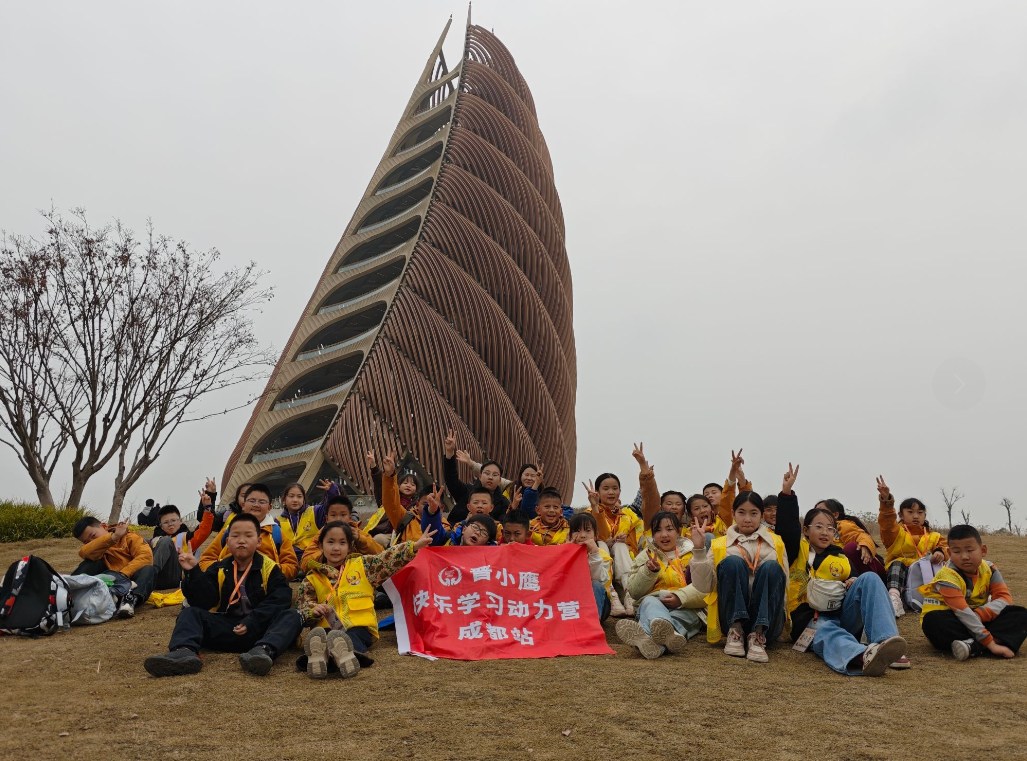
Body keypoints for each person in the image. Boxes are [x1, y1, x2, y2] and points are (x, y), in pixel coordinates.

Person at [143, 513, 303, 677]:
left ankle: (262, 653)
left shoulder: (271, 568)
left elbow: (280, 599)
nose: (241, 540)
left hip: (259, 631)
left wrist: (253, 620)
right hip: (227, 628)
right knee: (190, 612)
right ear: (227, 542)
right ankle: (184, 652)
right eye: (235, 536)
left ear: (259, 541)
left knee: (293, 615)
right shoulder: (218, 568)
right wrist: (193, 571)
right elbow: (203, 601)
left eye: (248, 535)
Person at [777, 485, 909, 676]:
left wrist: (853, 581)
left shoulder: (840, 557)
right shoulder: (796, 551)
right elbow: (787, 529)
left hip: (841, 615)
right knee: (826, 631)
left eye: (830, 529)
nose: (825, 532)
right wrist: (787, 494)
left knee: (869, 578)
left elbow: (854, 578)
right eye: (819, 527)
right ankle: (864, 656)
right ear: (805, 530)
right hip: (810, 621)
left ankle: (886, 643)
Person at [294, 521, 436, 678]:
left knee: (352, 637)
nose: (336, 548)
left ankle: (332, 656)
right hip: (327, 626)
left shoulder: (364, 566)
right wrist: (313, 610)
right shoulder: (312, 578)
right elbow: (303, 605)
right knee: (323, 636)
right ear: (321, 546)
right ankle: (325, 658)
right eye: (330, 542)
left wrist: (413, 547)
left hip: (360, 626)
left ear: (350, 546)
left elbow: (386, 559)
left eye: (342, 543)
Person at [689, 467, 791, 663]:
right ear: (733, 514)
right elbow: (703, 587)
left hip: (768, 620)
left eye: (753, 513)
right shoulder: (720, 544)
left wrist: (784, 624)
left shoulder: (776, 542)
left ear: (761, 516)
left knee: (772, 568)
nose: (747, 519)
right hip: (730, 618)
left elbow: (783, 587)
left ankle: (758, 635)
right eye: (742, 512)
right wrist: (699, 549)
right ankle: (736, 631)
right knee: (732, 562)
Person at [919, 524, 1027, 660]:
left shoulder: (990, 569)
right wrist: (991, 644)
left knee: (1020, 614)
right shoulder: (946, 577)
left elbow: (1004, 598)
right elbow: (963, 613)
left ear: (983, 550)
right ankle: (989, 643)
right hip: (953, 619)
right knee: (933, 621)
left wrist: (980, 614)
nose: (964, 557)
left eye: (970, 550)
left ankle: (973, 647)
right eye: (957, 552)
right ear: (950, 554)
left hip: (978, 618)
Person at [616, 512, 705, 659]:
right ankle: (667, 631)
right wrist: (649, 571)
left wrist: (680, 597)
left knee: (685, 616)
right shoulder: (645, 556)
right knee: (649, 601)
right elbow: (634, 592)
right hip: (653, 603)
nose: (664, 535)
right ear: (652, 534)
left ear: (679, 531)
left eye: (669, 529)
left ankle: (647, 637)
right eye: (658, 530)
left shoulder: (694, 554)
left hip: (687, 606)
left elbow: (704, 588)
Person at [877, 477, 948, 617]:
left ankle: (947, 597)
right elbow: (886, 522)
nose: (916, 516)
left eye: (920, 513)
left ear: (925, 515)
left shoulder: (934, 535)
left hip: (924, 574)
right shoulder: (895, 532)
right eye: (910, 512)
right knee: (897, 564)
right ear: (900, 515)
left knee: (945, 566)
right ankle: (894, 599)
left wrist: (940, 552)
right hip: (900, 574)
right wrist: (886, 501)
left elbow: (945, 547)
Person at [199, 483, 299, 581]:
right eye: (252, 500)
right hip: (228, 587)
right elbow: (205, 560)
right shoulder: (228, 531)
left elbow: (292, 567)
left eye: (262, 502)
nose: (256, 505)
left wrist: (267, 571)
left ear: (269, 508)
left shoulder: (276, 533)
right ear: (243, 504)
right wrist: (225, 570)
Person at [584, 473, 642, 617]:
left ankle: (629, 594)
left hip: (623, 563)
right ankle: (611, 593)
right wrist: (595, 507)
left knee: (621, 546)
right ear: (597, 492)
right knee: (601, 544)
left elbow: (634, 546)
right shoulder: (588, 513)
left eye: (615, 488)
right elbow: (600, 536)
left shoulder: (627, 516)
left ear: (620, 491)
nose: (611, 492)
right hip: (599, 565)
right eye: (606, 488)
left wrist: (625, 542)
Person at [73, 517, 155, 618]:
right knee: (91, 563)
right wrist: (114, 537)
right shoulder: (96, 549)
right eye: (86, 542)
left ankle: (129, 600)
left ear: (104, 526)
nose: (92, 541)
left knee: (149, 569)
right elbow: (84, 552)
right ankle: (69, 590)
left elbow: (146, 557)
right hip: (110, 584)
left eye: (93, 535)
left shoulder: (130, 537)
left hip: (132, 581)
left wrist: (122, 575)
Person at [300, 496, 386, 572]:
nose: (338, 519)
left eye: (343, 515)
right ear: (327, 518)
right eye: (333, 515)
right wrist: (324, 552)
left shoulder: (358, 533)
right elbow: (305, 564)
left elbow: (381, 555)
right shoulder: (321, 536)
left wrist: (360, 540)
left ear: (350, 518)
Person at [443, 430, 509, 523]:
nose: (490, 477)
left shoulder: (503, 503)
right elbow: (451, 478)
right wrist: (449, 453)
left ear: (499, 480)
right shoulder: (467, 491)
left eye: (495, 475)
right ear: (480, 476)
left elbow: (503, 525)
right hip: (456, 533)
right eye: (487, 473)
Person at [815, 497, 885, 581]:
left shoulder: (843, 525)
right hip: (841, 573)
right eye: (815, 511)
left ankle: (869, 584)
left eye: (821, 510)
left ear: (835, 515)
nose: (817, 514)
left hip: (870, 571)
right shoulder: (816, 533)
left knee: (851, 548)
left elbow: (861, 535)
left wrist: (865, 545)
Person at [632, 442, 688, 546]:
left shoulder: (690, 533)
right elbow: (650, 497)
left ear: (684, 510)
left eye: (678, 504)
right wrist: (643, 466)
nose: (674, 507)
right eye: (669, 504)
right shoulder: (652, 524)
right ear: (660, 508)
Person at [149, 501, 215, 589]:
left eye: (173, 520)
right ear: (161, 526)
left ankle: (148, 577)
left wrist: (207, 508)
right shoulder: (156, 539)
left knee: (166, 541)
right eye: (166, 522)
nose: (170, 524)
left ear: (180, 521)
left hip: (174, 577)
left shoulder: (187, 538)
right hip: (157, 578)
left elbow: (204, 530)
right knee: (143, 542)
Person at [568, 512, 613, 623]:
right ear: (569, 535)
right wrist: (567, 552)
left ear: (596, 535)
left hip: (600, 604)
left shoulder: (602, 555)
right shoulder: (564, 553)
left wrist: (593, 554)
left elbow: (600, 580)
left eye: (588, 530)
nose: (582, 535)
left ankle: (591, 625)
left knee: (595, 584)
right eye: (577, 531)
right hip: (571, 605)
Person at [423, 485, 501, 546]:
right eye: (475, 527)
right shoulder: (452, 537)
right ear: (464, 529)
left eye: (484, 532)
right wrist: (432, 510)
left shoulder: (498, 529)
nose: (479, 506)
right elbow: (434, 536)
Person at [277, 483, 320, 565]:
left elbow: (329, 507)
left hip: (312, 559)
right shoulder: (277, 521)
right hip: (289, 561)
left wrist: (331, 491)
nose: (295, 500)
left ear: (304, 500)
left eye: (299, 496)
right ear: (284, 500)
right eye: (291, 496)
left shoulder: (314, 512)